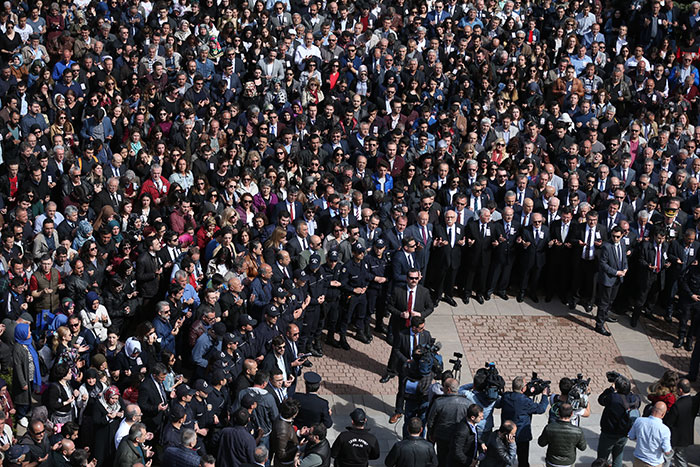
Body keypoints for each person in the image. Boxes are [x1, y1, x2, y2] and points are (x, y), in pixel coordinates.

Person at [498, 376, 549, 467]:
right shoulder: (525, 401)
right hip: (522, 435)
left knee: (505, 458)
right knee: (523, 461)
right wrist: (544, 395)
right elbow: (541, 409)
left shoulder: (506, 397)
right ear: (523, 388)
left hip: (507, 432)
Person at [597, 374, 640, 467]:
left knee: (602, 459)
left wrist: (611, 389)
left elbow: (601, 400)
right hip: (624, 433)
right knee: (618, 456)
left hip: (609, 433)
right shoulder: (635, 399)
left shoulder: (613, 398)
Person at [425, 377, 470, 466]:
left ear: (448, 389)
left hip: (442, 437)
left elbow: (430, 421)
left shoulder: (438, 403)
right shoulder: (468, 403)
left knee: (442, 458)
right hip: (459, 437)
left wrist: (431, 433)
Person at [662, 379, 700, 467]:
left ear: (680, 390)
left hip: (674, 437)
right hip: (686, 436)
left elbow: (669, 422)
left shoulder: (677, 405)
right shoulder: (694, 401)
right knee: (681, 459)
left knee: (666, 458)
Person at [628, 402, 672, 467]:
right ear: (663, 414)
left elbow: (631, 436)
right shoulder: (665, 430)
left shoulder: (639, 421)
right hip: (654, 462)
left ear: (652, 410)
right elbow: (666, 450)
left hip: (638, 460)